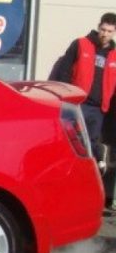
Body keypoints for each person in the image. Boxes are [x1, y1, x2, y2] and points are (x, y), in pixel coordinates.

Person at [53, 13, 116, 167]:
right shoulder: (80, 44)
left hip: (99, 108)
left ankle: (93, 167)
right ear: (98, 26)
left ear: (114, 32)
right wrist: (66, 95)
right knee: (74, 139)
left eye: (109, 31)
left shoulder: (114, 55)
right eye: (103, 30)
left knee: (92, 140)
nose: (105, 34)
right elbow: (65, 70)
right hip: (78, 103)